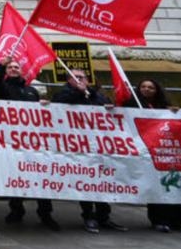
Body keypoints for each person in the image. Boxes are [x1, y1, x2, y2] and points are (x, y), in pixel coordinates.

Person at [0, 57, 59, 231]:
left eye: (16, 67)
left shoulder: (31, 91)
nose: (13, 69)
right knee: (17, 177)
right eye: (10, 67)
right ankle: (16, 211)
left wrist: (42, 106)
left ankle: (45, 214)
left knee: (40, 178)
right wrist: (1, 66)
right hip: (13, 142)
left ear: (21, 70)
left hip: (34, 143)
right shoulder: (3, 88)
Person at [52, 68, 126, 234]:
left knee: (102, 183)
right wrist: (78, 93)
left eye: (81, 77)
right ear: (68, 80)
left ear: (87, 79)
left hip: (98, 146)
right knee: (85, 183)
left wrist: (108, 108)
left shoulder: (96, 95)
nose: (78, 80)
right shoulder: (63, 94)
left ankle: (104, 217)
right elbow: (58, 104)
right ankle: (89, 217)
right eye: (74, 78)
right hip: (77, 147)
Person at [122, 79, 181, 234]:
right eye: (143, 87)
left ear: (157, 90)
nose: (146, 89)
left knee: (174, 185)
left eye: (150, 87)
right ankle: (159, 220)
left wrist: (174, 113)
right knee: (154, 186)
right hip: (146, 151)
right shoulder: (131, 105)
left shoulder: (164, 107)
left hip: (166, 152)